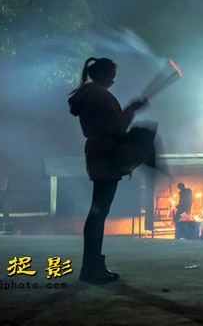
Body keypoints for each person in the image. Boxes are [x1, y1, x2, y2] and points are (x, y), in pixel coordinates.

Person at [68, 57, 147, 284]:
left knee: (98, 212)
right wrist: (131, 110)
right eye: (112, 76)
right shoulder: (101, 96)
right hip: (106, 156)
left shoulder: (88, 94)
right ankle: (91, 267)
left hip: (98, 154)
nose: (113, 81)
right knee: (98, 213)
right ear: (103, 74)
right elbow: (116, 126)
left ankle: (92, 264)